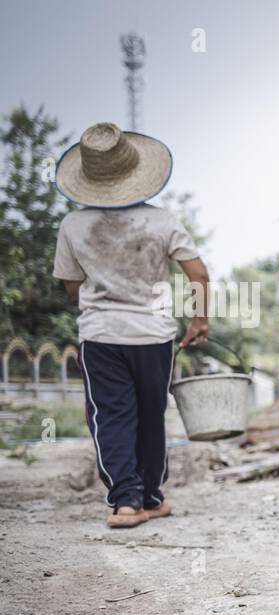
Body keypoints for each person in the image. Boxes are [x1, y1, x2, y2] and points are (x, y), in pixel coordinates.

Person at [52, 122, 210, 528]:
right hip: (154, 336)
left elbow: (72, 284)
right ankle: (152, 497)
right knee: (151, 415)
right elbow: (199, 274)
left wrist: (104, 291)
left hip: (101, 336)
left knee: (112, 416)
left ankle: (126, 502)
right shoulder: (162, 221)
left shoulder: (73, 224)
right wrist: (200, 319)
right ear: (135, 170)